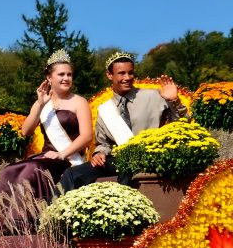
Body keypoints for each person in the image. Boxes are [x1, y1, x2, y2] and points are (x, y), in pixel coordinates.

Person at [59, 51, 189, 191]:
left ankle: (122, 209)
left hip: (151, 157)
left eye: (130, 73)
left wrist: (175, 101)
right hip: (120, 161)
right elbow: (103, 143)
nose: (127, 78)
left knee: (126, 170)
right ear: (109, 75)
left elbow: (181, 124)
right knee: (72, 174)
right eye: (121, 73)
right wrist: (98, 153)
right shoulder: (105, 109)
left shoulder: (154, 96)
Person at [0, 49, 93, 202]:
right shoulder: (43, 102)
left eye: (69, 74)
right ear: (49, 78)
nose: (66, 78)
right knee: (9, 170)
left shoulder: (79, 102)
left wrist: (62, 153)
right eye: (61, 74)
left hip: (66, 159)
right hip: (46, 157)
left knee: (32, 169)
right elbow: (26, 131)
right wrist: (39, 104)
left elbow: (87, 136)